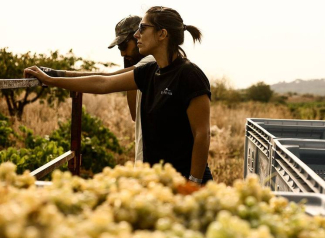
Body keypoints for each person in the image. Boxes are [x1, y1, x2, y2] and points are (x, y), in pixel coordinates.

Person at [24, 6, 213, 185]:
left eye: (142, 28)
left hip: (185, 182)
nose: (137, 34)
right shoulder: (149, 71)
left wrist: (193, 183)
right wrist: (50, 80)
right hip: (158, 181)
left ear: (162, 34)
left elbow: (202, 134)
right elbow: (103, 82)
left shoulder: (189, 75)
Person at [40, 15, 154, 162]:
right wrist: (130, 63)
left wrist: (54, 76)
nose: (122, 53)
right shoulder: (143, 67)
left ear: (138, 37)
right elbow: (135, 114)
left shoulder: (152, 62)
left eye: (123, 46)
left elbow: (104, 80)